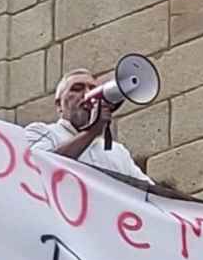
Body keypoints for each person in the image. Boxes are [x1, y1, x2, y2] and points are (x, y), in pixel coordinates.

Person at [24, 69, 153, 184]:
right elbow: (38, 168)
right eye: (77, 88)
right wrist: (91, 132)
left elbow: (148, 193)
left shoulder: (118, 152)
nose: (87, 94)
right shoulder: (41, 132)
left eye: (93, 89)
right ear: (59, 105)